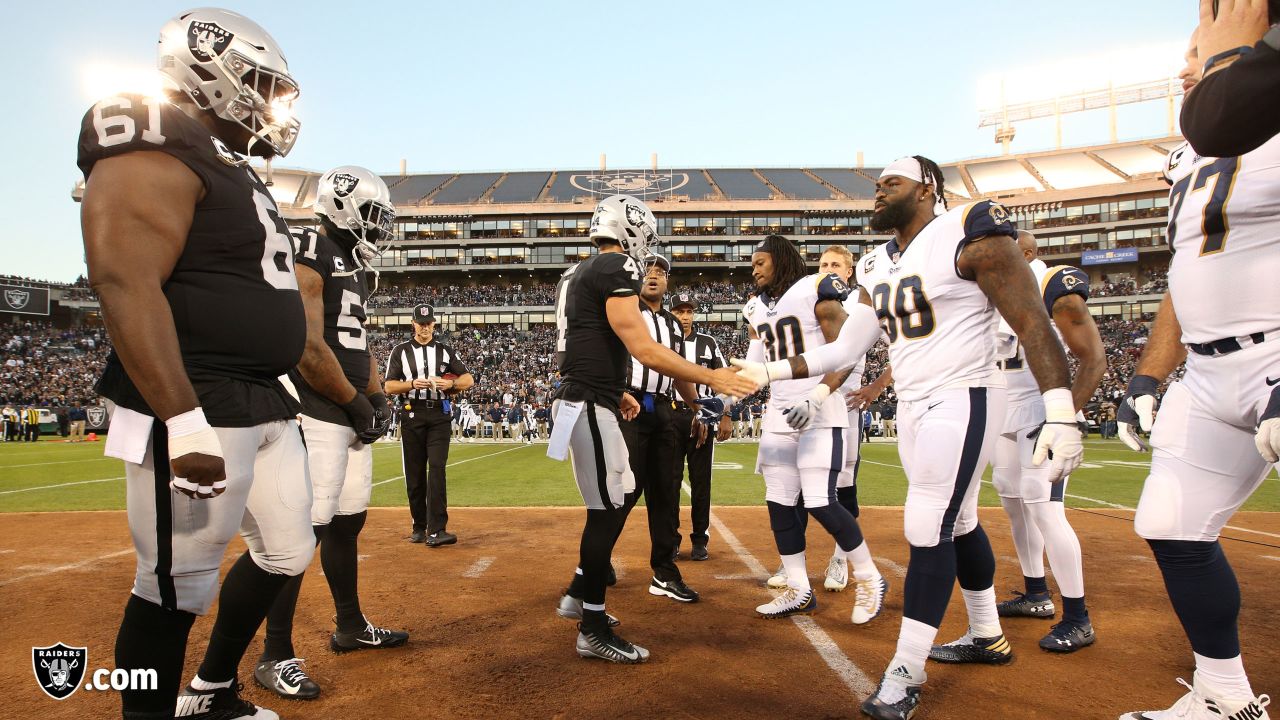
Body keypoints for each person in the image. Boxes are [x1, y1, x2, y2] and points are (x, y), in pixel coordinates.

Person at [733, 156, 1082, 720]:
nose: (876, 193)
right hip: (917, 404)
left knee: (926, 525)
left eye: (888, 184)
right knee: (960, 521)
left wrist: (1061, 410)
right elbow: (845, 350)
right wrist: (769, 372)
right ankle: (987, 633)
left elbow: (1029, 319)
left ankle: (905, 671)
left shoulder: (966, 228)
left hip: (966, 392)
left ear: (926, 189)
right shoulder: (874, 263)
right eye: (875, 186)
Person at [78, 8, 311, 719]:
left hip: (264, 397)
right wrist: (181, 420)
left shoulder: (224, 161)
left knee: (287, 551)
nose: (272, 105)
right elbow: (124, 280)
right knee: (174, 582)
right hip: (199, 392)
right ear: (216, 69)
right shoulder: (151, 135)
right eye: (263, 86)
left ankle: (212, 691)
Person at [1114, 31, 1277, 720]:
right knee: (1171, 524)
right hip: (1208, 373)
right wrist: (1148, 378)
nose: (1184, 67)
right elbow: (1187, 274)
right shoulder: (1190, 150)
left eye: (1196, 49)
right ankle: (1224, 697)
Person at [550, 194, 756, 664]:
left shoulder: (579, 272)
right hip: (588, 403)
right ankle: (592, 625)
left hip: (590, 396)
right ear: (632, 230)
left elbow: (581, 342)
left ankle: (579, 596)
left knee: (616, 497)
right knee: (606, 510)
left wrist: (613, 386)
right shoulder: (615, 266)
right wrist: (712, 377)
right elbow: (641, 347)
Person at [254, 166, 403, 701]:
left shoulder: (353, 263)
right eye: (372, 215)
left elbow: (355, 347)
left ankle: (349, 625)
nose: (378, 229)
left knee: (347, 522)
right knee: (302, 533)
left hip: (345, 408)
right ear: (342, 204)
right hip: (314, 407)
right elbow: (307, 346)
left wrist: (377, 394)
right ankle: (275, 653)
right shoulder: (309, 246)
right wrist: (353, 401)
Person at [743, 235, 886, 625]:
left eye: (760, 261)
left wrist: (819, 395)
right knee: (779, 501)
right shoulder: (755, 308)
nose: (753, 269)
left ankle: (870, 576)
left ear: (782, 260)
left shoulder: (814, 288)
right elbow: (755, 367)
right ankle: (798, 588)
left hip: (820, 410)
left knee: (821, 501)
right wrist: (719, 402)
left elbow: (847, 350)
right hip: (779, 413)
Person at [990, 231, 1106, 654]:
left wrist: (1065, 417)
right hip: (1004, 408)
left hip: (1042, 409)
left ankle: (1078, 618)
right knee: (1012, 500)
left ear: (1025, 253)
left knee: (1045, 508)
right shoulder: (990, 290)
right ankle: (1036, 593)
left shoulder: (1051, 283)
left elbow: (1094, 356)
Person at [615, 254, 708, 595]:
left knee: (667, 494)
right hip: (630, 410)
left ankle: (665, 571)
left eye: (661, 272)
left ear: (667, 282)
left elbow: (679, 369)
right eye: (648, 269)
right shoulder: (623, 311)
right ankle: (597, 558)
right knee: (622, 490)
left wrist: (698, 407)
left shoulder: (671, 323)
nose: (654, 275)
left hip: (666, 412)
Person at [385, 304, 474, 546]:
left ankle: (437, 529)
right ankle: (419, 525)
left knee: (437, 469)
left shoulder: (445, 351)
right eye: (420, 323)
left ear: (434, 324)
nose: (424, 327)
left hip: (438, 416)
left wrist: (451, 386)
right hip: (411, 413)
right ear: (413, 324)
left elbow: (468, 379)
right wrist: (413, 384)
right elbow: (389, 386)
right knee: (414, 474)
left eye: (428, 323)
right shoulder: (400, 351)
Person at [670, 291, 729, 561]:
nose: (684, 316)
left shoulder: (707, 342)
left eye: (688, 311)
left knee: (701, 481)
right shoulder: (662, 342)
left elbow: (723, 379)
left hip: (702, 418)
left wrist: (726, 414)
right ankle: (670, 538)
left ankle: (699, 539)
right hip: (669, 416)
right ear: (670, 313)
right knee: (666, 483)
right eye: (679, 311)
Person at [1179, 0, 1280, 158]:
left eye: (1200, 53)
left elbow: (1212, 128)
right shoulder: (1179, 157)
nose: (1183, 72)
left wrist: (1225, 59)